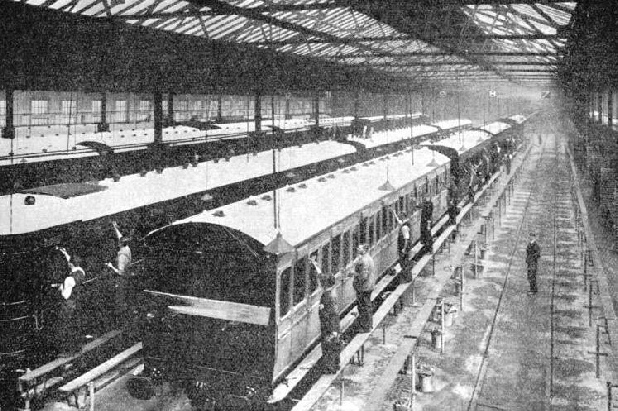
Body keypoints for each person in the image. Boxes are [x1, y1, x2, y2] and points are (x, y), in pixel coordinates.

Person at [52, 248, 86, 356]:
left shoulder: (69, 279)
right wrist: (65, 252)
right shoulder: (81, 273)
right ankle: (77, 348)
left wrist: (60, 288)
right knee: (75, 326)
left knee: (66, 327)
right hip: (77, 302)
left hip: (68, 305)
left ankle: (68, 351)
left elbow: (65, 295)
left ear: (71, 265)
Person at [310, 257, 341, 373]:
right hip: (329, 325)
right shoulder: (330, 291)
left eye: (321, 282)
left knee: (329, 347)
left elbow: (333, 314)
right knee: (332, 346)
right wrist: (315, 265)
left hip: (329, 327)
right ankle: (334, 365)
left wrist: (333, 330)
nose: (319, 282)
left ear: (324, 284)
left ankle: (330, 368)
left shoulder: (329, 297)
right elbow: (321, 275)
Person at [107, 221, 132, 324]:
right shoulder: (127, 248)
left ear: (121, 244)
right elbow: (120, 237)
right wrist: (114, 227)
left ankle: (119, 321)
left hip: (121, 279)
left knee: (119, 299)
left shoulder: (122, 256)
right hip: (126, 276)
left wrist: (111, 266)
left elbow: (120, 272)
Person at [351, 244, 375, 333]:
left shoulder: (364, 261)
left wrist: (354, 275)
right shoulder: (369, 258)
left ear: (364, 250)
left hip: (364, 287)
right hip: (369, 285)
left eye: (359, 248)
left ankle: (365, 327)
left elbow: (364, 276)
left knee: (363, 307)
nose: (357, 248)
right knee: (367, 306)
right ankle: (369, 325)